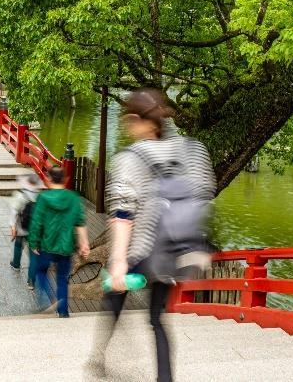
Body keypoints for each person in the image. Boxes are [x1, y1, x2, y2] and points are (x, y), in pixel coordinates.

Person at [87, 88, 216, 381]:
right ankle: (165, 378)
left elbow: (123, 213)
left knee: (113, 299)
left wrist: (118, 260)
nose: (127, 128)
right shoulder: (193, 150)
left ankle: (98, 358)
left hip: (142, 250)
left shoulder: (131, 157)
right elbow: (205, 194)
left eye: (127, 122)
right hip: (175, 253)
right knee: (157, 318)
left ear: (137, 119)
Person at [29, 166, 89, 318]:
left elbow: (37, 223)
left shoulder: (43, 198)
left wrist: (34, 242)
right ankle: (63, 312)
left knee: (41, 271)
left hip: (47, 245)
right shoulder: (73, 198)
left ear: (48, 179)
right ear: (65, 180)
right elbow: (80, 223)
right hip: (66, 246)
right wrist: (84, 244)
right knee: (62, 278)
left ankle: (47, 299)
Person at [9, 173, 42, 289]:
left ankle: (16, 264)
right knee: (34, 255)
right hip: (35, 231)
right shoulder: (40, 197)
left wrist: (13, 227)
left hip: (21, 227)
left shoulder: (20, 195)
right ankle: (31, 282)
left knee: (18, 245)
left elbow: (14, 212)